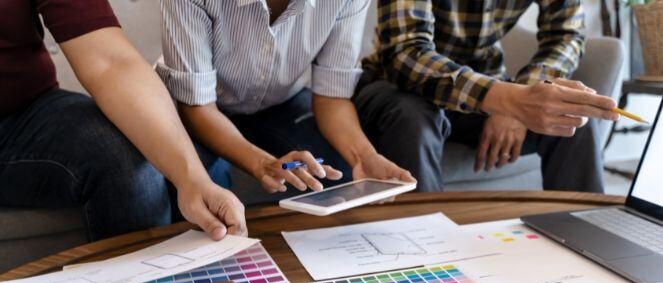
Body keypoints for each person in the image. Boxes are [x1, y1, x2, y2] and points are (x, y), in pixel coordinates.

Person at [0, 0, 246, 243]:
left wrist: (192, 178)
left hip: (28, 108)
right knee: (124, 160)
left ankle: (188, 279)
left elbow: (111, 62)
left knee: (153, 152)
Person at [355, 0, 620, 192]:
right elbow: (406, 53)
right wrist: (508, 100)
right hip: (399, 87)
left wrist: (523, 96)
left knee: (571, 115)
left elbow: (567, 35)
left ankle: (583, 241)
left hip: (486, 87)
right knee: (412, 119)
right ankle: (423, 250)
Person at [156, 0, 416, 196]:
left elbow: (331, 97)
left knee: (338, 177)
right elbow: (197, 106)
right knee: (211, 187)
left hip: (281, 102)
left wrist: (365, 157)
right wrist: (263, 164)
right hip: (198, 108)